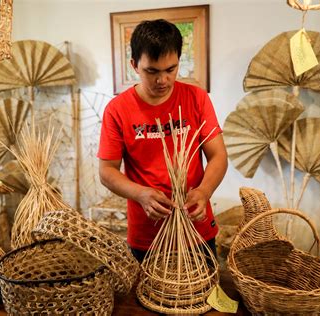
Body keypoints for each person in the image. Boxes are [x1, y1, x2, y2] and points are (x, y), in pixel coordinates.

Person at [98, 19, 228, 262]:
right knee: (149, 297)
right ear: (134, 65)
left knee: (202, 293)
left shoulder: (196, 98)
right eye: (152, 71)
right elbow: (107, 171)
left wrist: (204, 191)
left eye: (171, 69)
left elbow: (218, 156)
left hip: (195, 227)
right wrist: (140, 194)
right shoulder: (117, 110)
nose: (163, 80)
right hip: (148, 234)